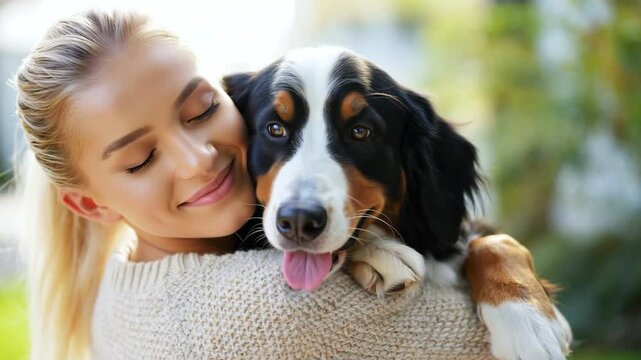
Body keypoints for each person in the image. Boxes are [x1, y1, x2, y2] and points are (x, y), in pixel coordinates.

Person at [14, 10, 495, 359]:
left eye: (201, 111)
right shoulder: (273, 317)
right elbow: (497, 341)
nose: (199, 159)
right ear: (89, 203)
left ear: (230, 99)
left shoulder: (116, 292)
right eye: (141, 160)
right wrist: (499, 259)